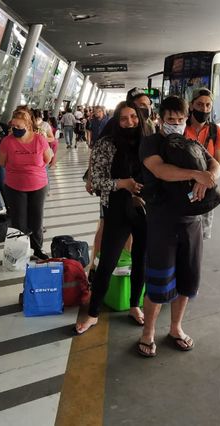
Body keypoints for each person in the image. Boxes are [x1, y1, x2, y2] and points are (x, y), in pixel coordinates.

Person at [136, 95, 220, 357]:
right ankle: (148, 332)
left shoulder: (190, 143)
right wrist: (196, 174)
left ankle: (175, 328)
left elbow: (214, 163)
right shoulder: (151, 143)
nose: (175, 123)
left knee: (187, 279)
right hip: (162, 222)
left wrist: (209, 176)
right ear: (160, 119)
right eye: (170, 119)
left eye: (180, 119)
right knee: (158, 281)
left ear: (187, 119)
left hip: (191, 222)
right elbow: (160, 170)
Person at [75, 101, 147, 334]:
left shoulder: (148, 140)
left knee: (141, 260)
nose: (129, 122)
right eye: (123, 118)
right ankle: (93, 313)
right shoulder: (106, 144)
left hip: (145, 208)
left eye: (133, 117)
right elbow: (96, 180)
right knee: (107, 261)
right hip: (117, 208)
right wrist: (123, 184)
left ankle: (135, 305)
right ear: (116, 121)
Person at [0, 110, 54, 260]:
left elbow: (48, 158)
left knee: (37, 220)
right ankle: (20, 252)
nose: (15, 129)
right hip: (14, 186)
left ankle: (37, 249)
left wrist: (34, 168)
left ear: (28, 125)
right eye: (13, 126)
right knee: (18, 222)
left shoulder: (39, 139)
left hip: (38, 185)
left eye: (19, 126)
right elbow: (1, 162)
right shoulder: (7, 141)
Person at [184, 88, 220, 240]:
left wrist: (204, 181)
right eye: (200, 104)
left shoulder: (216, 131)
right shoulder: (182, 128)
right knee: (182, 233)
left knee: (201, 236)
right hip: (183, 188)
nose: (204, 109)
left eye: (208, 105)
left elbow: (219, 164)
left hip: (205, 190)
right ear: (191, 105)